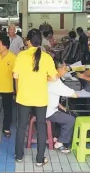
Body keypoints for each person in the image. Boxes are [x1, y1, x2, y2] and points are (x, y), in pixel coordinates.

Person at [14, 28, 58, 167]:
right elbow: (54, 77)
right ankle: (39, 159)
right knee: (41, 127)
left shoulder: (21, 55)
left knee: (21, 127)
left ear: (28, 41)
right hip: (40, 98)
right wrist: (43, 77)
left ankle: (19, 156)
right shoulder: (47, 57)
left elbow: (15, 76)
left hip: (24, 97)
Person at [47, 58, 78, 153]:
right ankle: (60, 143)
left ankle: (56, 137)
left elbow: (51, 95)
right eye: (64, 68)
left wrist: (61, 106)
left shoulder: (52, 77)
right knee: (70, 119)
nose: (65, 70)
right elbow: (74, 95)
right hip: (48, 112)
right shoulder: (54, 82)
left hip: (48, 108)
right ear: (57, 69)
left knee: (66, 111)